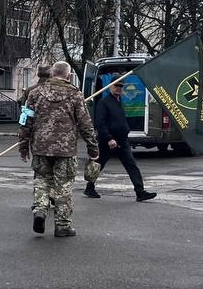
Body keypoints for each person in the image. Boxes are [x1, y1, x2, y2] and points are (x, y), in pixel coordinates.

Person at [19, 60, 99, 238]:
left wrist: (23, 145)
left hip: (40, 147)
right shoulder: (75, 94)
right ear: (68, 75)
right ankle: (62, 225)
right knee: (63, 186)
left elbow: (25, 121)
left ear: (51, 74)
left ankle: (40, 209)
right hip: (65, 149)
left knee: (41, 180)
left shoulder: (35, 93)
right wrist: (93, 147)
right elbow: (86, 124)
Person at [85, 77, 156, 202]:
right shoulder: (104, 102)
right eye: (116, 85)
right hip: (107, 141)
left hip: (122, 140)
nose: (118, 88)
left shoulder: (120, 101)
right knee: (98, 164)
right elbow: (100, 123)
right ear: (111, 86)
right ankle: (89, 187)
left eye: (121, 86)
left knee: (131, 165)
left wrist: (125, 130)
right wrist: (108, 138)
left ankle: (140, 192)